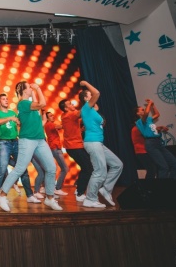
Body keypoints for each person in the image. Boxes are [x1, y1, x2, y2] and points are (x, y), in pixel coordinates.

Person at [0, 81, 62, 212]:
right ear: (24, 90)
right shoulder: (23, 103)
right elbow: (42, 104)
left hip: (40, 140)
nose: (31, 88)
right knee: (19, 168)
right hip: (27, 140)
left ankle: (49, 198)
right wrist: (38, 88)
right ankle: (1, 195)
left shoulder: (30, 104)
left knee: (51, 168)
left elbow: (37, 104)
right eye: (29, 87)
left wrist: (34, 92)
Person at [79, 80, 123, 208]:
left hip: (98, 143)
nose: (92, 95)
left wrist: (96, 111)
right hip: (92, 142)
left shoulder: (92, 111)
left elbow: (101, 123)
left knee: (117, 165)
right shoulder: (86, 108)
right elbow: (97, 93)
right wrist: (85, 83)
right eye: (89, 94)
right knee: (99, 171)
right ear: (86, 98)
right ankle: (90, 199)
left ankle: (106, 189)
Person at [0, 93, 37, 205]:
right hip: (4, 143)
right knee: (2, 169)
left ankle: (30, 195)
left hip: (16, 142)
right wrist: (10, 118)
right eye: (3, 99)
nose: (6, 100)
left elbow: (19, 123)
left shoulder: (13, 112)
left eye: (7, 99)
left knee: (23, 169)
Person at [135, 99, 176, 179]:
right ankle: (161, 186)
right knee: (164, 167)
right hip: (151, 144)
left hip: (158, 143)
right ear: (138, 113)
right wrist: (149, 103)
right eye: (142, 110)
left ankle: (170, 184)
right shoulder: (140, 121)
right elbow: (146, 113)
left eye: (144, 109)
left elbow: (157, 114)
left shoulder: (149, 120)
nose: (144, 110)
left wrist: (153, 105)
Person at [59, 98, 93, 202]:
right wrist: (89, 100)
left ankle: (79, 186)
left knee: (86, 167)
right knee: (88, 168)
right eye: (70, 104)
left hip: (73, 147)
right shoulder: (70, 114)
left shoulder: (65, 115)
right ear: (66, 108)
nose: (73, 104)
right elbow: (81, 113)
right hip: (75, 147)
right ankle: (80, 192)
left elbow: (78, 120)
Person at [42, 110, 70, 196]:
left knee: (55, 168)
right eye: (50, 116)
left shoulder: (49, 124)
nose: (53, 116)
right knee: (65, 168)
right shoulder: (49, 124)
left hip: (55, 148)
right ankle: (57, 188)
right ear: (47, 118)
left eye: (53, 115)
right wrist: (69, 121)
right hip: (55, 148)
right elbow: (60, 126)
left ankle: (49, 187)